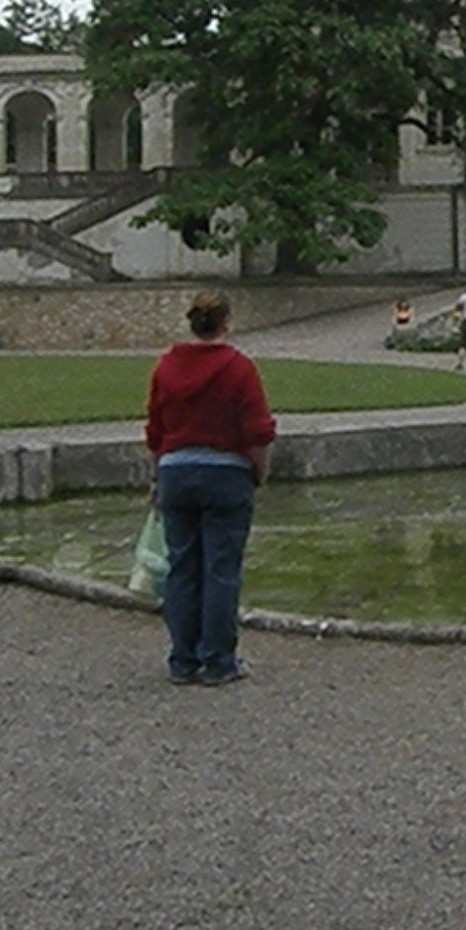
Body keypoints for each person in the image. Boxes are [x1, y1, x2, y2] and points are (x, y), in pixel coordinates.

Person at [144, 291, 275, 687]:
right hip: (225, 473)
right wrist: (260, 472)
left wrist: (156, 479)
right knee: (220, 568)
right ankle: (218, 660)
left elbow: (155, 430)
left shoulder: (166, 366)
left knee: (181, 567)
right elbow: (258, 431)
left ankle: (182, 659)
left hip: (176, 472)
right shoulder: (238, 368)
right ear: (226, 322)